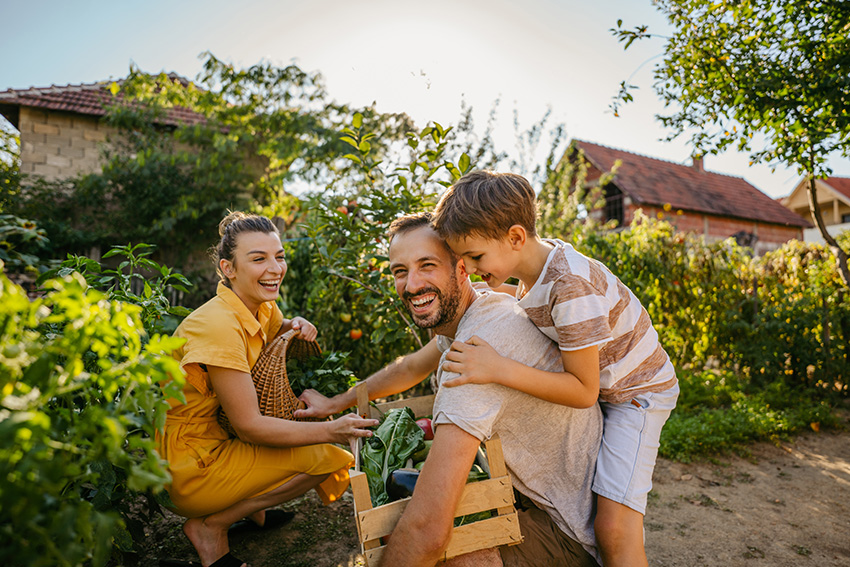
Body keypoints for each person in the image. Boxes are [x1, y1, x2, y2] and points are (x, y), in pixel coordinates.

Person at [297, 213, 603, 567]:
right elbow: (410, 366)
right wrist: (334, 403)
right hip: (557, 502)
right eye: (400, 271)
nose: (412, 285)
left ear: (462, 268)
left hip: (566, 532)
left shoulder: (472, 355)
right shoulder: (475, 310)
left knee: (425, 546)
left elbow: (427, 531)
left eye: (427, 265)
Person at [429, 170, 680, 567]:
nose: (472, 270)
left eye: (476, 257)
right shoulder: (532, 272)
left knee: (614, 527)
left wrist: (498, 368)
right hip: (609, 387)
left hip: (638, 394)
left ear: (515, 237)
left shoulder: (570, 286)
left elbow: (582, 392)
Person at [157, 212, 378, 567]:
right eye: (258, 259)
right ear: (228, 269)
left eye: (279, 256)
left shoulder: (256, 306)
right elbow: (250, 426)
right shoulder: (217, 326)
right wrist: (330, 429)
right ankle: (212, 526)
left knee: (312, 447)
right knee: (330, 456)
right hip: (189, 465)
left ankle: (252, 513)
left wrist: (296, 323)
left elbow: (277, 325)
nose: (275, 267)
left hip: (218, 437)